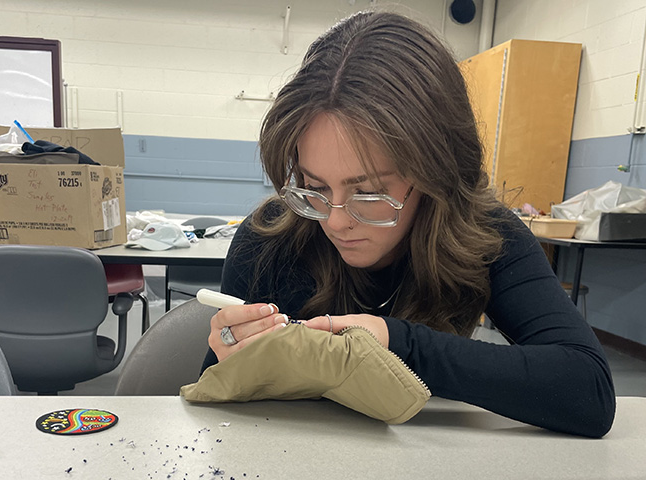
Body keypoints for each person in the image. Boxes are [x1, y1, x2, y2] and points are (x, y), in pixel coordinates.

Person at [201, 10, 615, 438]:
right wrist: (229, 355)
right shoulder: (269, 237)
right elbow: (215, 410)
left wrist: (396, 343)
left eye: (368, 193)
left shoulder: (487, 236)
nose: (337, 220)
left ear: (436, 174)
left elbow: (588, 390)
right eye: (314, 186)